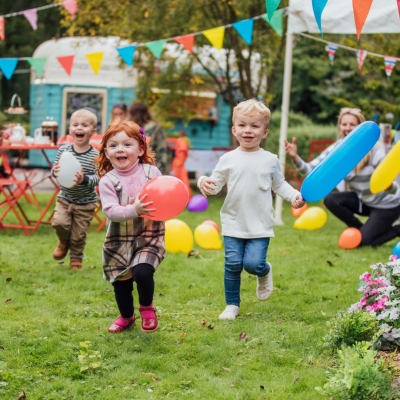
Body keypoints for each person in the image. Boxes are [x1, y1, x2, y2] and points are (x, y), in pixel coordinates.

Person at [198, 99, 305, 320]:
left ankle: (264, 270)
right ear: (234, 129)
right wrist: (203, 182)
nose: (248, 130)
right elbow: (215, 185)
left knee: (252, 263)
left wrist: (294, 196)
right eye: (243, 125)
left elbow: (280, 185)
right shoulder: (227, 159)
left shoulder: (270, 160)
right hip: (233, 220)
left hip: (260, 223)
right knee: (233, 264)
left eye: (254, 126)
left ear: (265, 132)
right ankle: (232, 305)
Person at [285, 107, 400, 246]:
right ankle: (360, 230)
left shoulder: (374, 149)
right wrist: (295, 157)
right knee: (331, 200)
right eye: (344, 124)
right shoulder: (337, 149)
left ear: (359, 127)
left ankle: (396, 230)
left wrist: (390, 187)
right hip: (364, 201)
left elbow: (391, 180)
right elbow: (312, 170)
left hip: (387, 204)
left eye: (352, 124)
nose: (347, 127)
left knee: (363, 242)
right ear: (339, 126)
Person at [96, 120, 165, 333]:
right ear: (106, 152)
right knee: (121, 282)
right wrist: (133, 209)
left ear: (140, 149)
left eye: (127, 144)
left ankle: (147, 308)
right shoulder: (108, 181)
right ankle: (126, 316)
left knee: (143, 272)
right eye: (114, 145)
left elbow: (164, 195)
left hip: (149, 235)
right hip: (119, 239)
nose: (120, 149)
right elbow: (110, 211)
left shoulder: (151, 173)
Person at [51, 109, 99, 270]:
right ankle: (63, 242)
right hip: (65, 198)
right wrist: (55, 172)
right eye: (75, 125)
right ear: (70, 129)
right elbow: (54, 170)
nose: (79, 128)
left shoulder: (95, 155)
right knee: (59, 223)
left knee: (79, 234)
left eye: (84, 125)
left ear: (93, 131)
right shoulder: (63, 150)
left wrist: (84, 179)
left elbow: (99, 178)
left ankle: (76, 257)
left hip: (86, 202)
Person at [129, 102, 170, 174]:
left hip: (133, 169)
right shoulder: (156, 127)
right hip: (152, 167)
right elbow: (163, 151)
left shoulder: (131, 129)